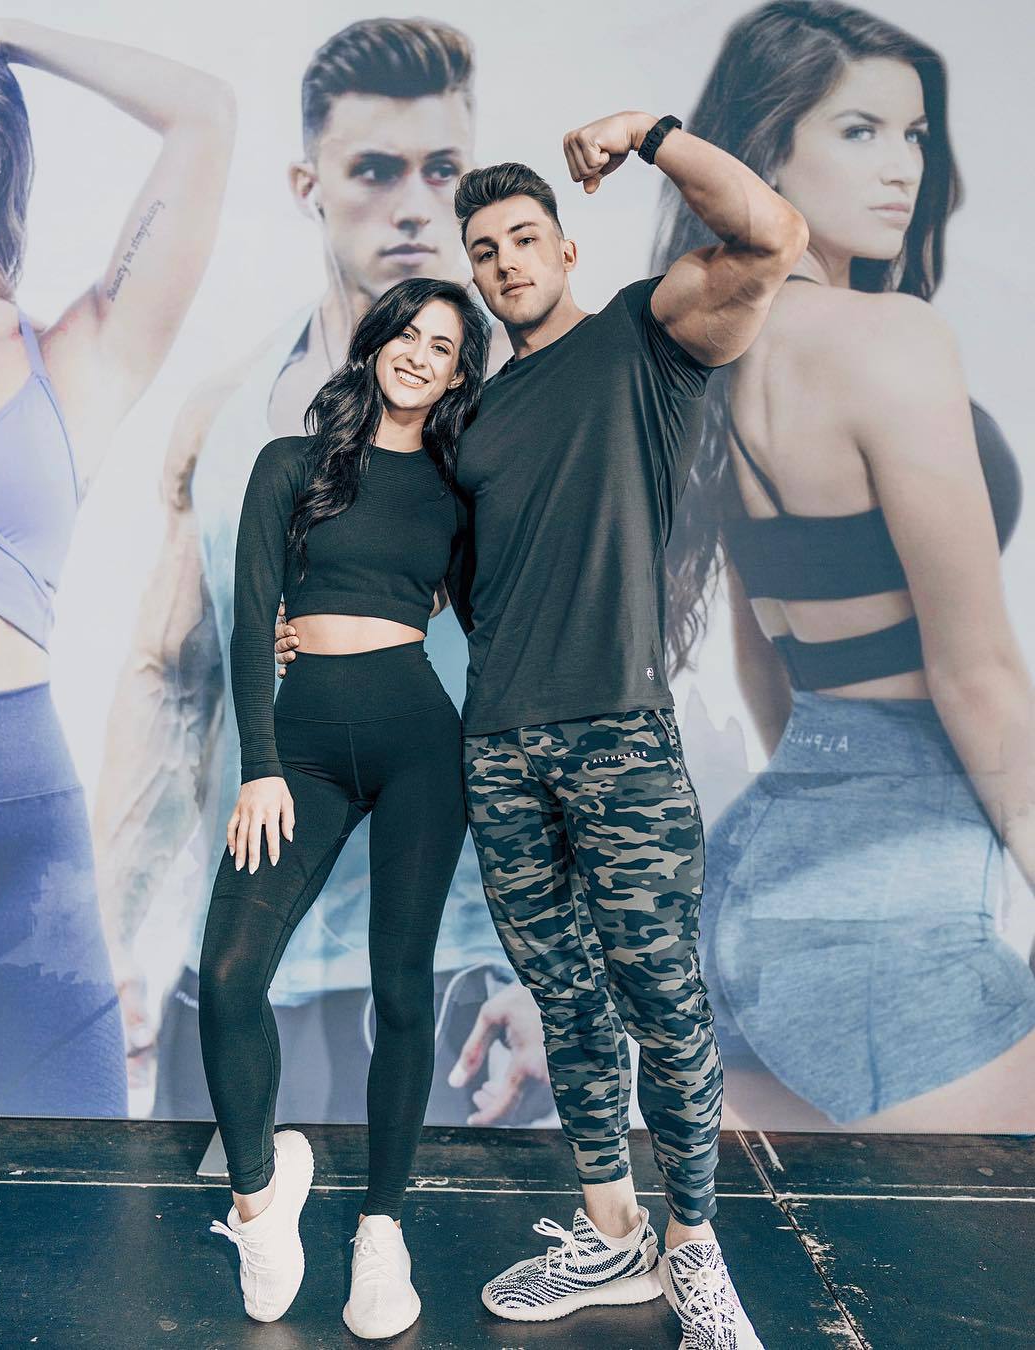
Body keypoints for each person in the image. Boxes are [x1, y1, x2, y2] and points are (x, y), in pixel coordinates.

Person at [278, 108, 806, 1345]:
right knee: (564, 1002)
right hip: (497, 749)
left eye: (525, 238)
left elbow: (773, 235)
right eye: (485, 249)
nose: (506, 261)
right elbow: (419, 553)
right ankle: (614, 1237)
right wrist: (319, 622)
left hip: (619, 734)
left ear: (566, 249)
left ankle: (693, 1250)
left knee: (662, 1000)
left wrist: (653, 135)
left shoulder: (642, 338)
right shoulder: (472, 419)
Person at [93, 15, 545, 1128]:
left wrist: (550, 961)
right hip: (261, 936)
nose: (414, 205)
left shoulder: (512, 422)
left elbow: (557, 677)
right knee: (219, 1228)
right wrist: (109, 932)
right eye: (375, 169)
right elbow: (173, 680)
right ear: (310, 185)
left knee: (419, 1229)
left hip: (457, 963)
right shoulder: (228, 415)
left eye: (441, 170)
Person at [654, 0, 1035, 1133]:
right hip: (889, 902)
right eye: (859, 131)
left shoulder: (711, 357)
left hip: (757, 883)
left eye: (913, 134)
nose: (902, 167)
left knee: (792, 1247)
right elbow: (978, 679)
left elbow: (761, 663)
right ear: (765, 151)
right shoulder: (892, 339)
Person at [201, 276, 490, 1340]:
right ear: (374, 344)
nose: (419, 354)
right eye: (406, 333)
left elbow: (491, 616)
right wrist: (260, 765)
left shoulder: (456, 491)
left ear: (458, 376)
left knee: (400, 988)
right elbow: (251, 624)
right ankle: (260, 1200)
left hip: (421, 747)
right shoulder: (292, 464)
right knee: (230, 975)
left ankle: (381, 1231)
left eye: (442, 346)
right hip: (303, 754)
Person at [0, 20, 233, 1116]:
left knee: (66, 1193)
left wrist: (5, 36)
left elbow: (204, 112)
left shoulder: (75, 355)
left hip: (22, 862)